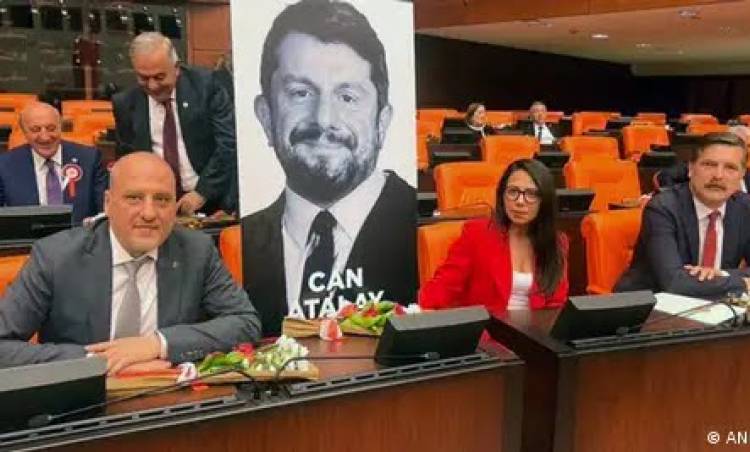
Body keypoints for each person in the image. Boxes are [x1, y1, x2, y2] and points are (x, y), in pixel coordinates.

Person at [242, 0, 416, 335]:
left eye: (347, 97)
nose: (324, 119)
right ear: (265, 115)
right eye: (300, 93)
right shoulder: (243, 243)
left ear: (382, 122)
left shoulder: (418, 232)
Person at [0, 152, 261, 374]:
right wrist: (99, 360)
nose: (149, 213)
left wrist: (158, 344)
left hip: (168, 398)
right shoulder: (55, 256)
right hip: (83, 403)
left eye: (162, 200)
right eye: (134, 198)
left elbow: (245, 322)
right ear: (108, 203)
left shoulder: (196, 251)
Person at [113, 32, 238, 215]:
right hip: (154, 206)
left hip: (212, 202)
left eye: (159, 77)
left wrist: (203, 192)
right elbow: (127, 162)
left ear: (176, 68)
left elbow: (228, 143)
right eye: (144, 78)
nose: (152, 86)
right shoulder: (125, 104)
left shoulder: (207, 86)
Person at [419, 159, 568, 312]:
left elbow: (556, 304)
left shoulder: (557, 242)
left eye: (531, 194)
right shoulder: (477, 234)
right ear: (502, 196)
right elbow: (444, 287)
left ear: (544, 201)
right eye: (513, 192)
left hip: (536, 326)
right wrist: (421, 310)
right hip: (488, 325)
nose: (520, 201)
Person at [615, 133, 750, 298]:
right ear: (691, 169)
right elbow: (673, 283)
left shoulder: (745, 208)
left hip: (715, 303)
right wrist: (742, 283)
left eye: (730, 168)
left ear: (742, 175)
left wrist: (722, 274)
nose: (718, 175)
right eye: (709, 165)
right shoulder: (662, 208)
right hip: (651, 305)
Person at [0, 102, 107, 223]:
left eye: (51, 128)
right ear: (25, 132)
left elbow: (104, 211)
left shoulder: (89, 159)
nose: (45, 137)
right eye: (35, 130)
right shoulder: (4, 165)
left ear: (60, 127)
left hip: (80, 233)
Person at [657, 125, 750, 192]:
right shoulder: (700, 165)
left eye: (749, 146)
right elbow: (666, 176)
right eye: (743, 146)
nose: (748, 150)